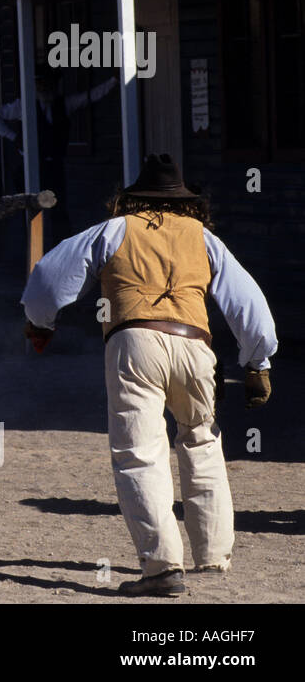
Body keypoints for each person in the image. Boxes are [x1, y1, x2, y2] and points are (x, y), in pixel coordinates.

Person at [21, 153, 276, 597]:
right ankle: (213, 555)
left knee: (140, 452)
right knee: (202, 441)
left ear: (132, 198)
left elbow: (48, 278)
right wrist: (258, 361)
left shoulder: (114, 230)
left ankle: (161, 567)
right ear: (186, 203)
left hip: (134, 344)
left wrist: (40, 323)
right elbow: (248, 302)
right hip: (196, 348)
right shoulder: (203, 238)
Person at [0, 70, 117, 242]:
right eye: (40, 84)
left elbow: (90, 96)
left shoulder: (63, 104)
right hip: (31, 165)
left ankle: (60, 246)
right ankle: (32, 247)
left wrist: (113, 81)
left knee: (58, 208)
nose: (44, 88)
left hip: (54, 165)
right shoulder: (24, 106)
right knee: (30, 208)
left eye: (48, 84)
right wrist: (13, 137)